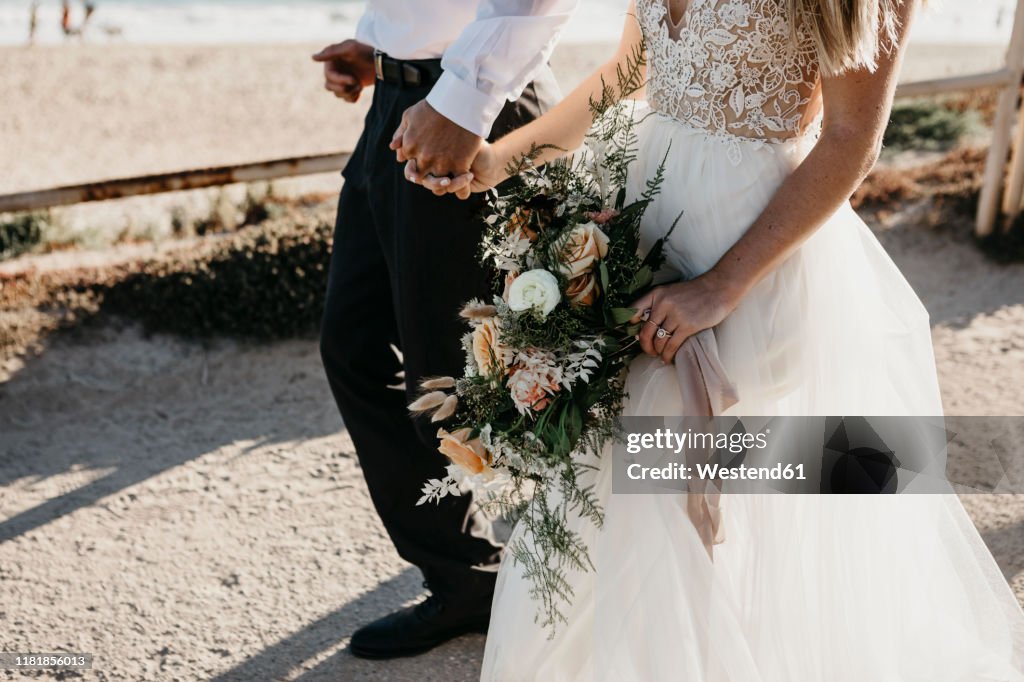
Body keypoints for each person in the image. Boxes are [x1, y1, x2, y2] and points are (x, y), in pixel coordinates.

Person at [410, 0, 1024, 678]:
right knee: (627, 488)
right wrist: (500, 160)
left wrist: (721, 286)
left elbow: (853, 138)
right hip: (642, 224)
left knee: (661, 482)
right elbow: (629, 70)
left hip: (752, 253)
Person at [314, 0, 576, 661]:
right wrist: (378, 45)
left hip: (471, 109)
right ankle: (467, 577)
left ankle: (594, 563)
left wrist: (462, 98)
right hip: (400, 104)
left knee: (474, 375)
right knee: (354, 345)